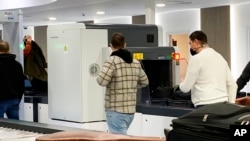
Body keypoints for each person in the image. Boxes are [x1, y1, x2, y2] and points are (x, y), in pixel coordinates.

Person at [96, 32, 149, 135]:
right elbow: (145, 82)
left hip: (115, 110)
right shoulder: (135, 62)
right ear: (125, 45)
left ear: (111, 46)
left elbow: (101, 81)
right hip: (130, 112)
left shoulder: (111, 61)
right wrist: (131, 84)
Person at [177, 30, 237, 108]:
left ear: (196, 41)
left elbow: (186, 88)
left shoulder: (196, 59)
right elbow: (233, 85)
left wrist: (180, 84)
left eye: (190, 43)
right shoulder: (220, 57)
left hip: (204, 105)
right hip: (223, 104)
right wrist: (231, 106)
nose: (190, 47)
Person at [0, 40, 25, 119]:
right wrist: (18, 98)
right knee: (15, 126)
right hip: (14, 99)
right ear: (9, 50)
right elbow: (21, 84)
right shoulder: (17, 65)